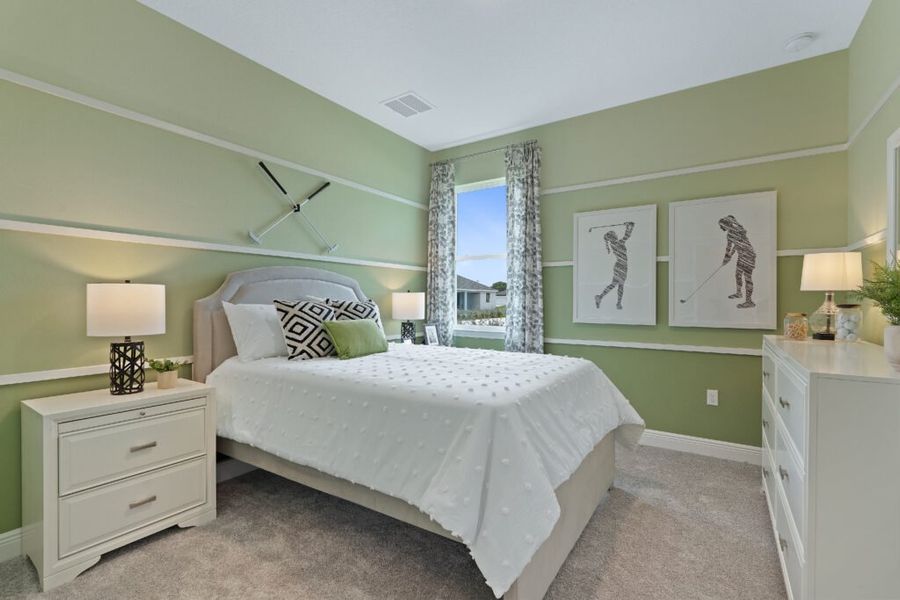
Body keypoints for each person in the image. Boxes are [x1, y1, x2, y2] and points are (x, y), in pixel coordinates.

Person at [594, 221, 635, 310]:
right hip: (622, 266)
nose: (616, 235)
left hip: (619, 266)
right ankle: (618, 304)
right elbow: (627, 235)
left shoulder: (613, 244)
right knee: (620, 285)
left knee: (614, 284)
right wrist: (630, 226)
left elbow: (627, 235)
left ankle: (601, 297)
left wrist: (628, 226)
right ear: (613, 237)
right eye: (615, 234)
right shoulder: (619, 243)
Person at [719, 215, 756, 308]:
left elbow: (738, 245)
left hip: (748, 255)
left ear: (726, 224)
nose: (721, 227)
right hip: (741, 255)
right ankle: (739, 293)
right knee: (738, 274)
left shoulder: (739, 231)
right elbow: (730, 247)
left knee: (747, 278)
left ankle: (749, 301)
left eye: (722, 225)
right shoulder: (730, 235)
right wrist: (727, 257)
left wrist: (728, 257)